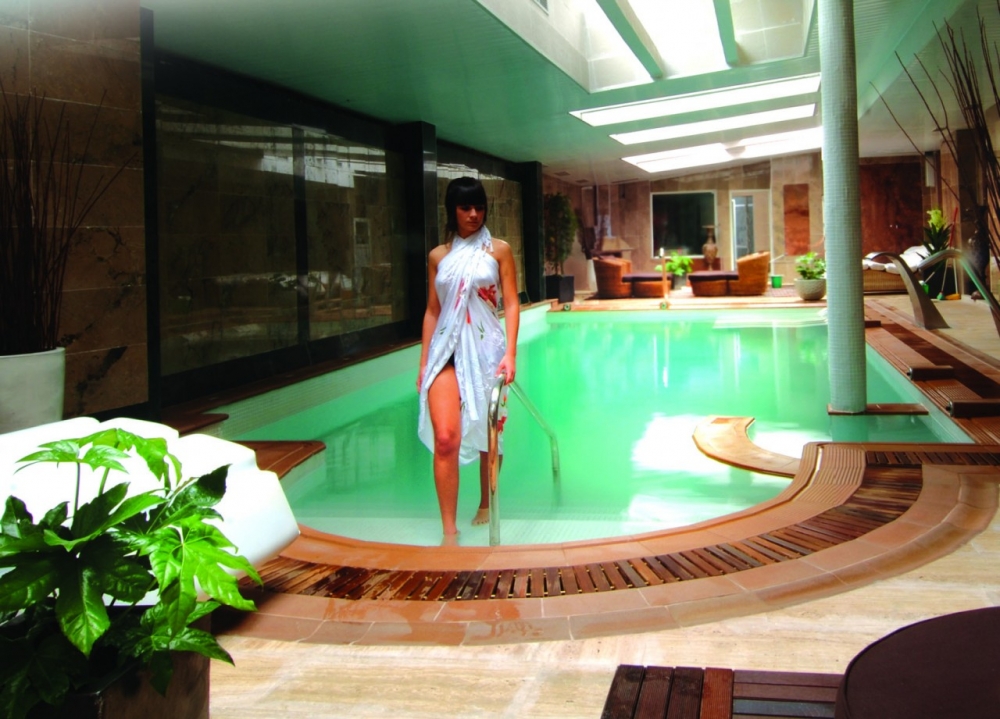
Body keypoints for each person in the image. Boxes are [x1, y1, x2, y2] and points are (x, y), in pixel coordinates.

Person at [417, 177, 520, 542]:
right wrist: (423, 363)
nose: (474, 214)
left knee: (489, 434)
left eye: (479, 207)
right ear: (453, 211)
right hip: (445, 351)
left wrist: (510, 353)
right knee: (446, 437)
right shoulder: (438, 257)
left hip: (487, 349)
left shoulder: (499, 250)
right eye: (465, 208)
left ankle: (486, 503)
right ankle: (449, 529)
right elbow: (433, 310)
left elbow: (511, 302)